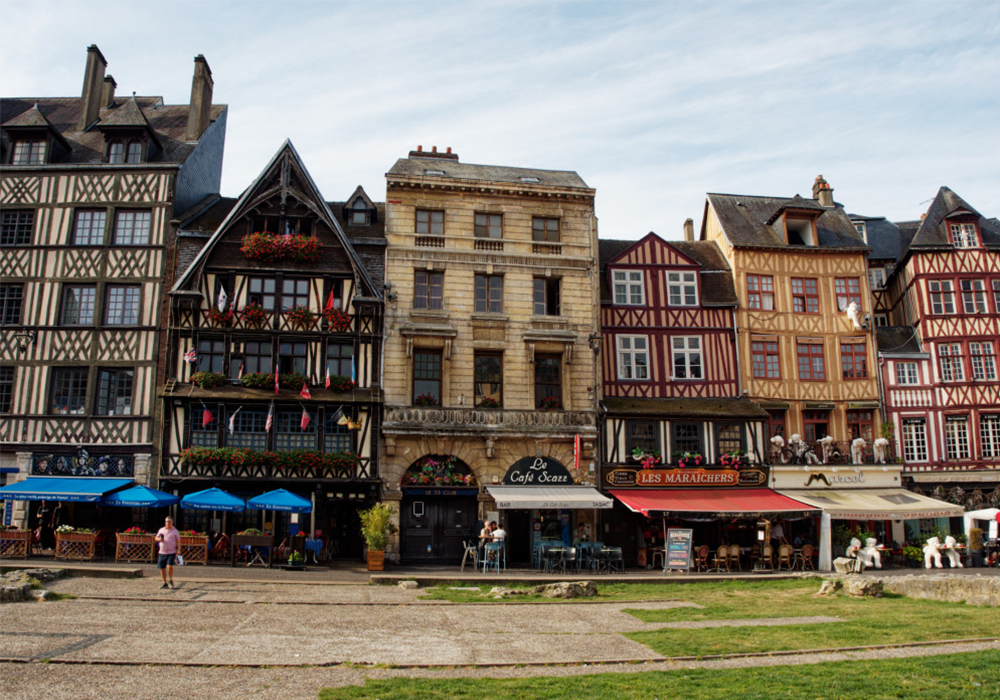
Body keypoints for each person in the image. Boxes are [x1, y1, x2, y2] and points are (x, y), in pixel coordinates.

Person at [154, 516, 180, 589]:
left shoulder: (175, 531)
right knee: (162, 568)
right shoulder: (161, 530)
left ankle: (170, 580)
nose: (168, 523)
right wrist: (159, 539)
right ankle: (164, 582)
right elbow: (156, 538)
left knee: (169, 566)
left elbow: (178, 541)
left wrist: (179, 550)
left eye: (169, 521)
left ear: (172, 522)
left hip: (171, 551)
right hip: (162, 552)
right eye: (166, 521)